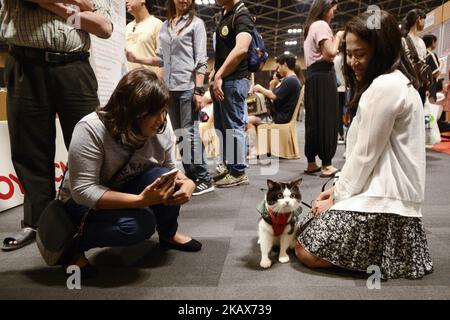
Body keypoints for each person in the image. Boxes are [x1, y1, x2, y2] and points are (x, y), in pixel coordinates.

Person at [295, 11, 433, 280]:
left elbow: (364, 156)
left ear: (381, 51)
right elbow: (369, 156)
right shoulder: (396, 82)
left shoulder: (384, 86)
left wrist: (338, 196)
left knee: (305, 248)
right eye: (349, 53)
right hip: (394, 205)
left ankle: (383, 258)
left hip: (386, 208)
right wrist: (336, 190)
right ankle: (386, 256)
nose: (352, 61)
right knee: (307, 222)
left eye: (361, 54)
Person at [62, 69, 201, 277]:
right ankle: (70, 243)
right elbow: (83, 191)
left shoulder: (161, 124)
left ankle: (168, 234)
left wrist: (188, 182)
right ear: (131, 111)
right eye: (154, 113)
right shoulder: (91, 128)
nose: (161, 119)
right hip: (81, 204)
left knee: (168, 181)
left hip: (127, 186)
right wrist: (140, 201)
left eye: (163, 111)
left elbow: (171, 169)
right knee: (138, 226)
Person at [1, 0, 112, 251]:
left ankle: (90, 213)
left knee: (90, 143)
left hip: (74, 65)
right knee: (30, 150)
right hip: (24, 62)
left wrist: (49, 5)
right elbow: (88, 14)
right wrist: (78, 8)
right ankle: (37, 222)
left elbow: (104, 28)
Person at [126, 0, 213, 196]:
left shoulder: (196, 24)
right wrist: (137, 59)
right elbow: (162, 58)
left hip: (188, 87)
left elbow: (201, 60)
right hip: (170, 89)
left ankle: (203, 177)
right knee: (180, 134)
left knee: (190, 133)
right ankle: (192, 175)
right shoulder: (166, 25)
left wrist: (199, 91)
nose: (184, 0)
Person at [210, 0, 254, 188]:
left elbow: (242, 48)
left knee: (234, 126)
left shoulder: (241, 15)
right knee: (223, 126)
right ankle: (230, 168)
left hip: (235, 79)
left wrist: (219, 73)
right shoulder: (226, 14)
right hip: (225, 80)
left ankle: (238, 172)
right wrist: (215, 74)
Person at [303, 0, 343, 178]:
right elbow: (330, 53)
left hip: (312, 76)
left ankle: (312, 163)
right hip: (323, 75)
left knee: (313, 121)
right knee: (327, 118)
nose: (334, 11)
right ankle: (327, 164)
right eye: (333, 8)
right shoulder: (321, 25)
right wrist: (339, 36)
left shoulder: (311, 26)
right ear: (326, 8)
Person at [125, 0, 162, 75]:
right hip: (129, 82)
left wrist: (160, 84)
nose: (126, 1)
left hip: (149, 83)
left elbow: (163, 60)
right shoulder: (127, 27)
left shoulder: (157, 24)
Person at [402, 8, 428, 104]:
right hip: (409, 84)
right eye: (424, 19)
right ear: (418, 19)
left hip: (416, 83)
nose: (424, 22)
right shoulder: (404, 40)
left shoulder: (420, 41)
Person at [422, 34, 442, 103]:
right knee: (430, 110)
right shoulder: (431, 54)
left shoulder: (422, 54)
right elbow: (436, 73)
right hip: (430, 87)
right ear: (432, 42)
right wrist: (441, 65)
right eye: (435, 42)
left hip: (421, 87)